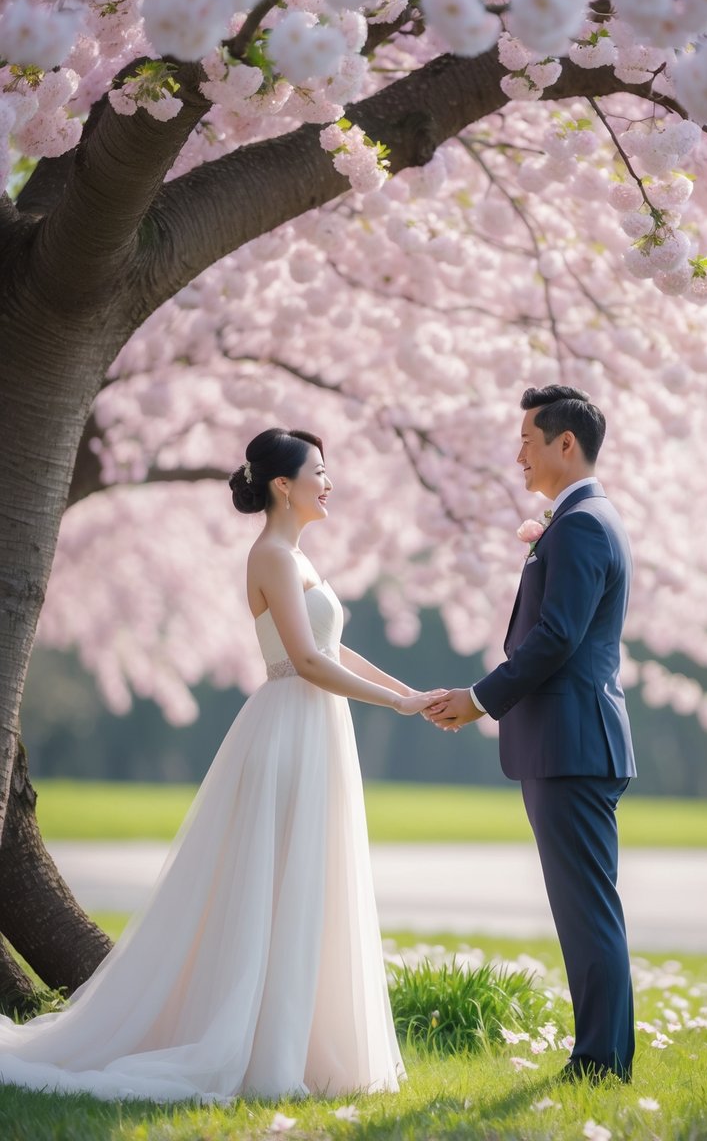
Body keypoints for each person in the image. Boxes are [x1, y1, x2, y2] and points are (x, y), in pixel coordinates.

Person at [0, 427, 442, 1103]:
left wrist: (407, 693)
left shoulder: (300, 559)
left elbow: (335, 649)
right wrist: (396, 705)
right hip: (290, 727)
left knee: (308, 879)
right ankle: (257, 1046)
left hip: (317, 724)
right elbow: (305, 660)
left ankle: (305, 1046)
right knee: (276, 879)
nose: (329, 483)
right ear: (282, 486)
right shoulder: (269, 554)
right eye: (318, 472)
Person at [427, 385, 637, 1083]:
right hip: (569, 742)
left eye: (526, 438)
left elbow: (556, 638)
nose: (516, 452)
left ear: (563, 444)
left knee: (585, 911)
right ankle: (599, 1055)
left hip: (572, 744)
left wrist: (480, 698)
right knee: (583, 909)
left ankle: (600, 1064)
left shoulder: (580, 523)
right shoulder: (580, 518)